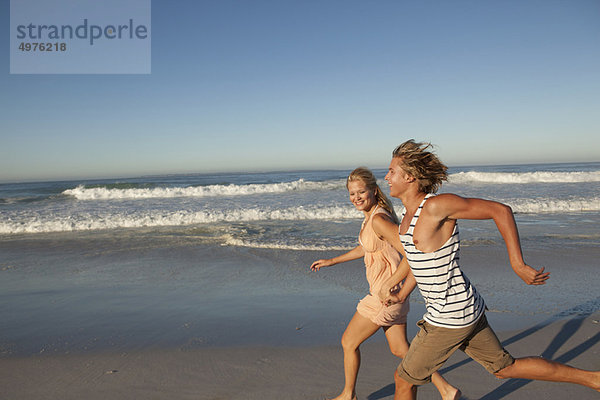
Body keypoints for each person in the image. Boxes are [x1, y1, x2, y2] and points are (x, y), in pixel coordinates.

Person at [376, 139, 600, 400]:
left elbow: (500, 211)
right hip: (465, 308)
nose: (387, 177)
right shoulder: (407, 216)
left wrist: (517, 264)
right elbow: (420, 263)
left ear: (410, 176)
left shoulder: (436, 206)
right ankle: (594, 379)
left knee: (403, 380)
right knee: (505, 368)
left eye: (392, 171)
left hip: (449, 318)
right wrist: (401, 294)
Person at [310, 167, 461, 400]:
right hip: (392, 296)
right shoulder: (372, 217)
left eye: (361, 192)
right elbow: (367, 247)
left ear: (373, 190)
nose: (356, 198)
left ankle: (348, 395)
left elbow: (410, 252)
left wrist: (389, 283)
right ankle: (446, 389)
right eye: (352, 193)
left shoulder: (379, 219)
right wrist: (333, 260)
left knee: (348, 341)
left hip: (384, 297)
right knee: (400, 349)